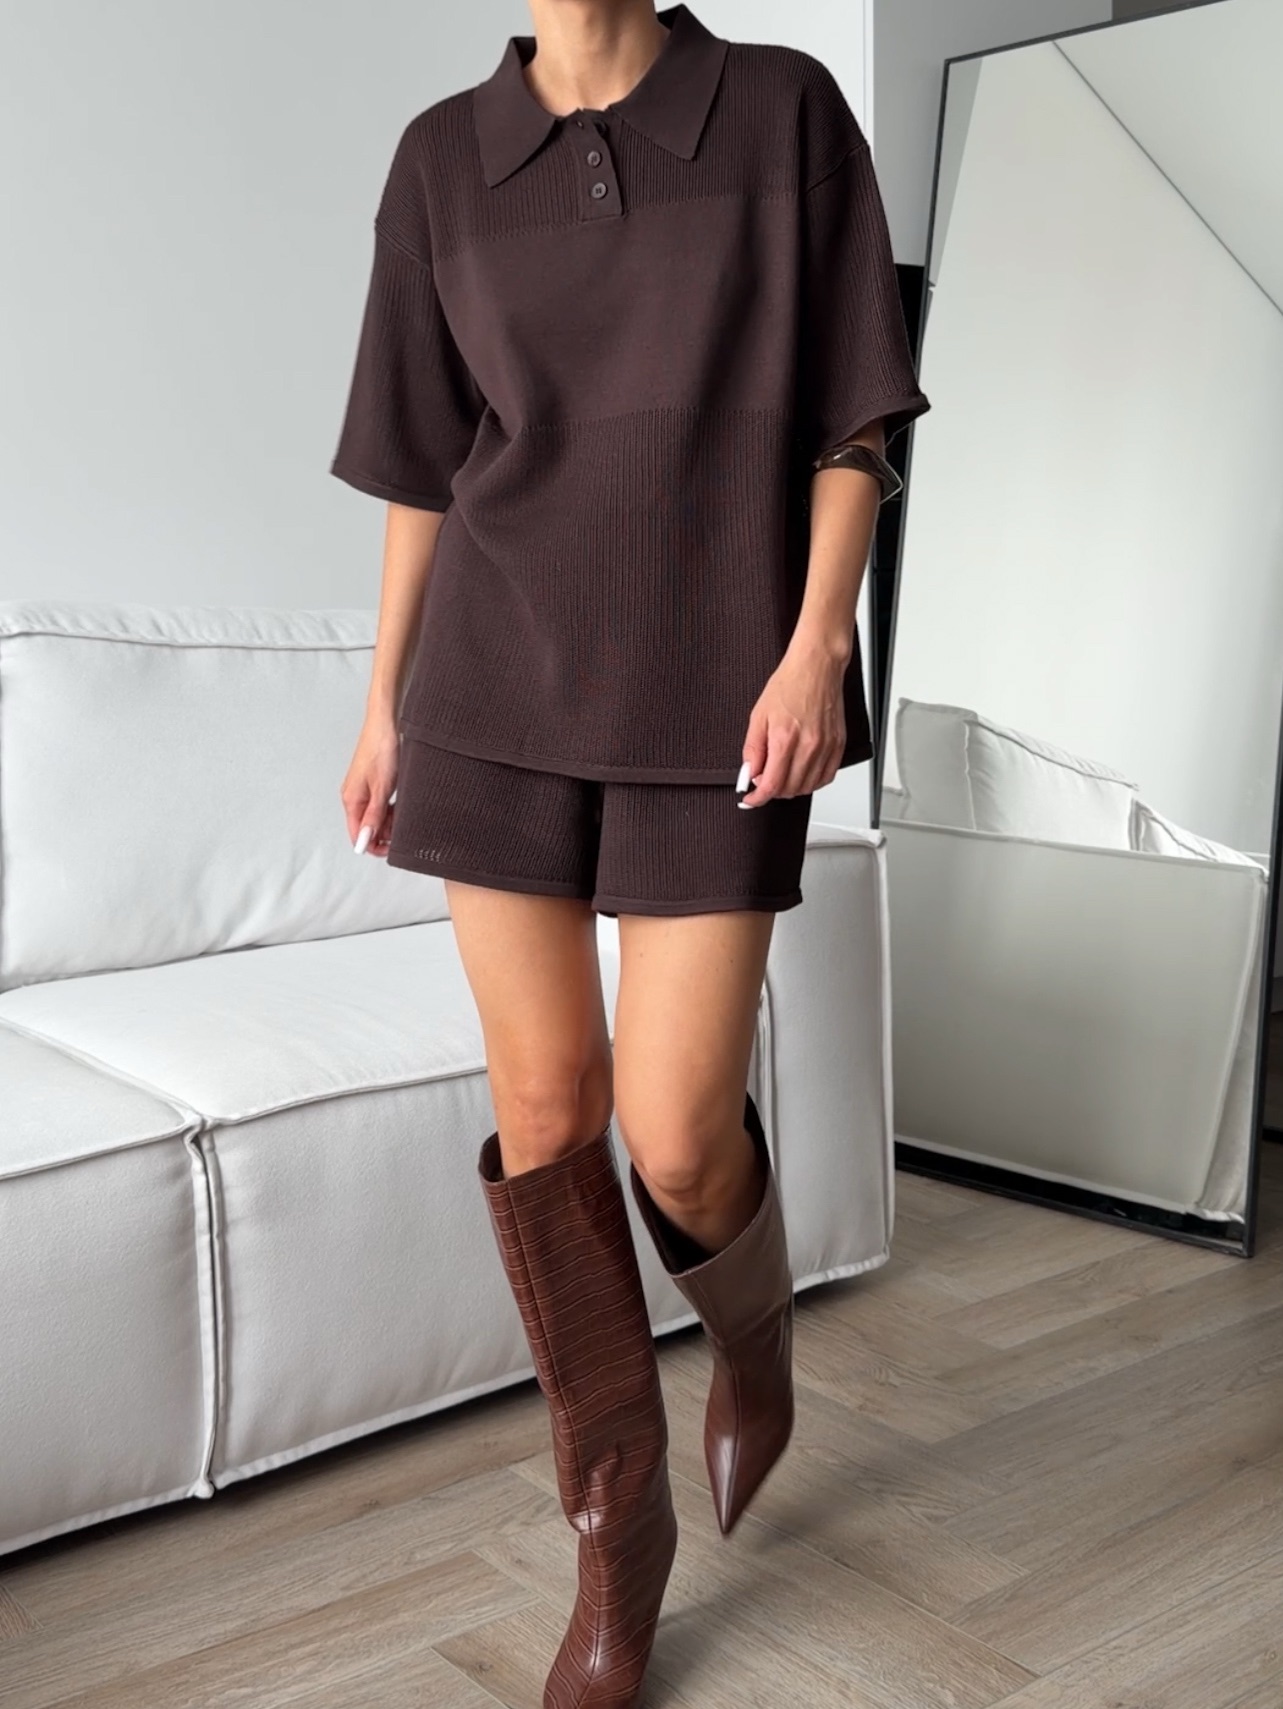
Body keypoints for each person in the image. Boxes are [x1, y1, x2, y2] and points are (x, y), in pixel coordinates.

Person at [331, 3, 930, 1703]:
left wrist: (818, 644)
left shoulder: (781, 113)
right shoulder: (442, 161)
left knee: (675, 1135)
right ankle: (618, 1527)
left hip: (722, 679)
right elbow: (425, 467)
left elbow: (856, 417)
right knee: (545, 1115)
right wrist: (381, 703)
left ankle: (755, 1335)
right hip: (490, 686)